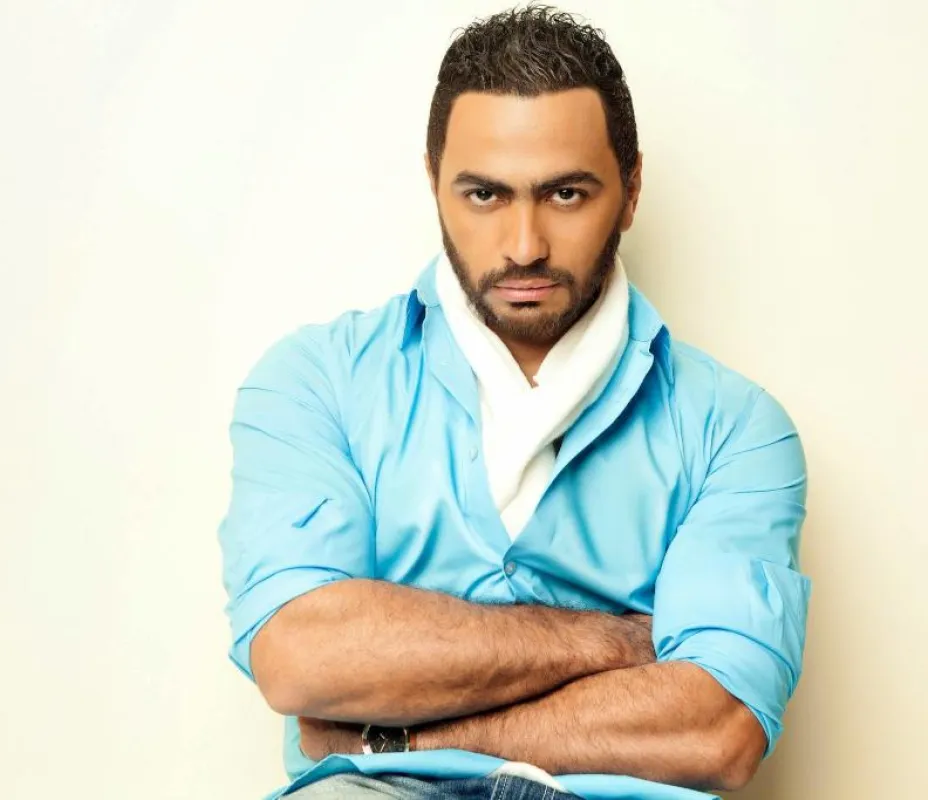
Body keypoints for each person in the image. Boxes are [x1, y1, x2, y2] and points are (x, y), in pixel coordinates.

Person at [217, 6, 810, 799]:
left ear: (631, 190)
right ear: (435, 184)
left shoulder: (736, 430)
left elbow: (716, 729)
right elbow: (302, 657)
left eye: (565, 193)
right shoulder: (316, 381)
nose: (525, 245)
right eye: (485, 195)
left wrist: (403, 736)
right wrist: (612, 644)